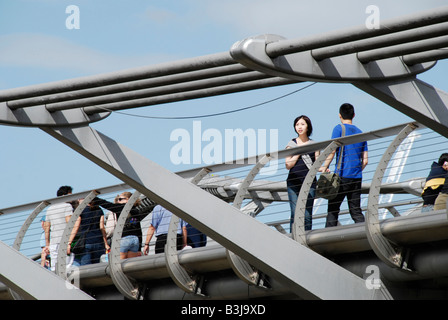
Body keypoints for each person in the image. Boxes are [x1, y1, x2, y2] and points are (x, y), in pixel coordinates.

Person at [319, 103, 368, 227]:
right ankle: (364, 233)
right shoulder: (361, 133)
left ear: (339, 115)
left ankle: (328, 238)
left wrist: (324, 167)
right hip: (357, 177)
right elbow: (365, 161)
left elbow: (332, 150)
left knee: (333, 209)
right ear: (354, 115)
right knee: (356, 210)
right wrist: (355, 170)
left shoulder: (339, 129)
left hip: (342, 176)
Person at [285, 115, 319, 231]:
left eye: (302, 124)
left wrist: (324, 169)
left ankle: (307, 238)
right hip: (293, 181)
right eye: (297, 124)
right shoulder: (291, 144)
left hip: (309, 182)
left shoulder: (315, 145)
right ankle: (292, 239)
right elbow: (288, 165)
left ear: (308, 127)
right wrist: (299, 152)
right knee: (294, 213)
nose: (299, 127)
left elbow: (317, 166)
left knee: (307, 214)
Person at [93, 191, 144, 259]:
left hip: (124, 237)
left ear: (128, 199)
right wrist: (139, 248)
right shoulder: (136, 210)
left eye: (120, 199)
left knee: (119, 264)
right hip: (135, 239)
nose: (118, 201)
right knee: (131, 264)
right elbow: (139, 229)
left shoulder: (122, 208)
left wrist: (94, 198)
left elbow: (108, 205)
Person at [67, 200, 110, 265]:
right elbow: (102, 227)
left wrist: (69, 243)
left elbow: (76, 227)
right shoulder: (99, 210)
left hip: (86, 242)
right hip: (99, 242)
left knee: (86, 267)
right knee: (97, 267)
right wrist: (106, 243)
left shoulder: (81, 210)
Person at [44, 185, 74, 271]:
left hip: (53, 242)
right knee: (66, 267)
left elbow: (47, 228)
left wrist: (47, 244)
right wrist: (69, 242)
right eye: (70, 195)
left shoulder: (50, 209)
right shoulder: (67, 206)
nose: (72, 197)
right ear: (64, 195)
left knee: (54, 268)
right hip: (64, 240)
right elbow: (69, 224)